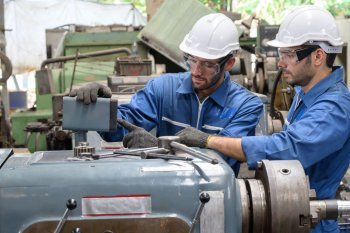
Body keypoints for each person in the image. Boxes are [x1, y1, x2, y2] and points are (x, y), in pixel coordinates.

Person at [176, 5, 350, 233]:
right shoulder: (305, 91)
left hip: (311, 220)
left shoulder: (334, 107)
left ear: (318, 56)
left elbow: (288, 149)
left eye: (288, 54)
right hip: (289, 209)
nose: (280, 63)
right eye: (281, 54)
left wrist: (209, 140)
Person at [69, 13, 263, 172]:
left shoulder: (246, 105)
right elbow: (121, 127)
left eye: (207, 64)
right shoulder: (164, 89)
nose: (195, 71)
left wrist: (160, 149)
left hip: (216, 198)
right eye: (192, 60)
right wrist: (102, 108)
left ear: (229, 63)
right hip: (165, 192)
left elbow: (219, 162)